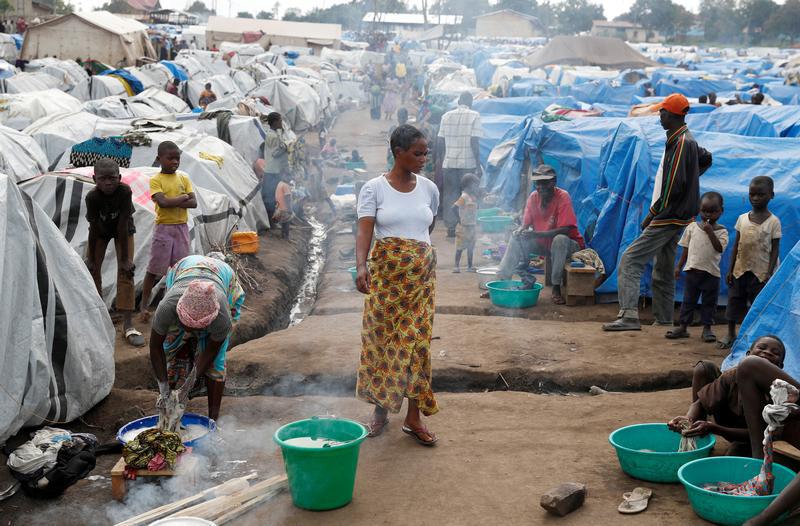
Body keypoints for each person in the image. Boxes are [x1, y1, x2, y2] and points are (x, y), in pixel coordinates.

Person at [355, 124, 440, 447]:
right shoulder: (374, 189)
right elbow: (365, 231)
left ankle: (413, 417)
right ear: (398, 153)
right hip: (386, 283)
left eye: (425, 152)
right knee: (382, 343)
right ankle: (381, 411)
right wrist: (361, 266)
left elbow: (425, 231)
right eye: (417, 153)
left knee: (418, 346)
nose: (423, 159)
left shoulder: (429, 189)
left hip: (420, 285)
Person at [603, 93, 712, 331]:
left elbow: (673, 187)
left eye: (662, 112)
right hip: (681, 216)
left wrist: (651, 214)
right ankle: (664, 320)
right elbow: (706, 158)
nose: (659, 116)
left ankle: (629, 315)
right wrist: (693, 178)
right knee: (663, 269)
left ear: (672, 115)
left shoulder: (682, 143)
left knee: (630, 260)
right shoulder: (682, 139)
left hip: (669, 215)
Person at [150, 254, 245, 421]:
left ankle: (213, 422)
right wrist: (163, 389)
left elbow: (212, 351)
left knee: (217, 364)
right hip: (184, 269)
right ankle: (169, 408)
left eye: (199, 327)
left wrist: (188, 385)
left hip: (223, 277)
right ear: (179, 312)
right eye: (188, 325)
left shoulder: (222, 317)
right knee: (170, 347)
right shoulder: (167, 306)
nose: (192, 330)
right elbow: (155, 347)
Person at [667, 335, 786, 456]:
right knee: (704, 367)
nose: (767, 352)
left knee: (733, 456)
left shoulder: (781, 392)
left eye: (775, 353)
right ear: (748, 355)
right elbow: (700, 403)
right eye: (761, 347)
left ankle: (738, 445)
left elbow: (764, 434)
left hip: (754, 436)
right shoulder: (734, 374)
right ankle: (698, 436)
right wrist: (688, 419)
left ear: (780, 367)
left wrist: (715, 429)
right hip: (728, 421)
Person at [498, 165, 585, 303]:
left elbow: (565, 230)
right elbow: (525, 224)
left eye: (544, 183)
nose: (540, 187)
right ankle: (503, 281)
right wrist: (521, 231)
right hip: (544, 244)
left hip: (568, 246)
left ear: (554, 182)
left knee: (560, 239)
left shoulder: (563, 196)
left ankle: (556, 286)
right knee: (516, 238)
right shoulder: (533, 197)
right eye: (537, 183)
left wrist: (535, 234)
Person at [85, 158, 144, 347]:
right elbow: (93, 227)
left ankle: (128, 324)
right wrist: (91, 257)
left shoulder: (124, 191)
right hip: (100, 232)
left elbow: (123, 223)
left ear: (119, 177)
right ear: (95, 179)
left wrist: (126, 259)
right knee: (92, 271)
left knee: (126, 271)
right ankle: (99, 318)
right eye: (102, 179)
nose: (108, 183)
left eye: (112, 178)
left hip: (123, 230)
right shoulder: (92, 197)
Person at [720, 176, 781, 349]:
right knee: (734, 302)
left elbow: (775, 248)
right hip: (740, 270)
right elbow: (736, 246)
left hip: (760, 273)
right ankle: (731, 333)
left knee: (757, 305)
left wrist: (769, 272)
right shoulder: (742, 219)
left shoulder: (774, 222)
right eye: (752, 194)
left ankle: (755, 339)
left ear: (771, 195)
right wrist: (730, 269)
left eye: (760, 195)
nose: (755, 198)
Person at [140, 141, 196, 321]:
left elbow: (193, 203)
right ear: (159, 159)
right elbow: (162, 203)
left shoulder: (183, 178)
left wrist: (174, 201)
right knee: (154, 268)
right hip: (164, 228)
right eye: (170, 158)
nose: (174, 162)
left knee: (180, 268)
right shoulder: (156, 180)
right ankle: (144, 307)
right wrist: (182, 198)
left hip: (181, 228)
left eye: (177, 158)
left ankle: (176, 305)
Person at [667, 192, 728, 342]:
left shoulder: (722, 231)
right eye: (704, 211)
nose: (708, 215)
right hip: (692, 272)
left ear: (721, 211)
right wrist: (678, 266)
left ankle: (707, 329)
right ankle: (683, 327)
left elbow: (719, 248)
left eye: (713, 211)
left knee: (709, 303)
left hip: (711, 274)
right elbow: (686, 249)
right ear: (699, 209)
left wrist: (710, 232)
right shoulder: (692, 227)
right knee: (688, 301)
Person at [436, 91, 482, 238]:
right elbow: (474, 141)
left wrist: (439, 159)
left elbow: (440, 141)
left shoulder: (446, 116)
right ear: (471, 102)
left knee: (450, 194)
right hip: (467, 162)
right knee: (467, 194)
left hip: (449, 162)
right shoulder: (475, 115)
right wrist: (478, 162)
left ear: (458, 102)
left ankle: (450, 228)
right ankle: (465, 227)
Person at [261, 112, 289, 221]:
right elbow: (275, 153)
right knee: (272, 197)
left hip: (273, 170)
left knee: (271, 195)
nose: (281, 122)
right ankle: (271, 220)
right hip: (273, 171)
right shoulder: (273, 136)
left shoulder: (273, 133)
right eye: (280, 120)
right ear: (275, 122)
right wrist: (286, 147)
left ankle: (272, 219)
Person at [452, 174, 480, 273]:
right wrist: (459, 219)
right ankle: (456, 266)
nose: (476, 187)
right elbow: (454, 207)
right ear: (468, 185)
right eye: (475, 185)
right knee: (460, 247)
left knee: (470, 247)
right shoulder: (464, 197)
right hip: (463, 227)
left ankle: (470, 266)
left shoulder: (473, 197)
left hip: (472, 226)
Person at [273, 174, 293, 239]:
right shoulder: (285, 185)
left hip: (279, 207)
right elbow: (288, 198)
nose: (290, 178)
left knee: (284, 222)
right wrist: (289, 209)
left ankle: (283, 236)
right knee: (287, 222)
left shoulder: (280, 183)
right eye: (288, 176)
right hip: (284, 208)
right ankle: (286, 237)